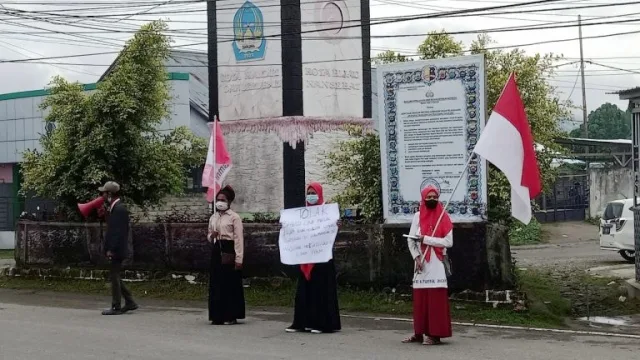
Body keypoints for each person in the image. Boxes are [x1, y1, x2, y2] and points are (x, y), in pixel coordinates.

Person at [285, 182, 341, 334]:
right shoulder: (302, 213)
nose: (311, 195)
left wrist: (335, 225)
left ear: (319, 193)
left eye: (313, 192)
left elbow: (332, 231)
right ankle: (302, 322)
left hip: (323, 258)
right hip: (306, 257)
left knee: (321, 290)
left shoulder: (326, 212)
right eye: (308, 192)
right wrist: (286, 226)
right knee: (304, 291)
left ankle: (322, 323)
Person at [402, 185, 453, 345]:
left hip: (436, 263)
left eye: (434, 197)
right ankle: (419, 333)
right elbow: (411, 239)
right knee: (420, 299)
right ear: (423, 198)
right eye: (429, 197)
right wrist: (416, 257)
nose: (432, 200)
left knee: (435, 299)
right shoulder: (417, 216)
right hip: (421, 263)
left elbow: (448, 242)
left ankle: (434, 334)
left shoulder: (443, 216)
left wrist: (426, 239)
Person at [207, 185, 245, 325]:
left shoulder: (234, 217)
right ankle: (217, 315)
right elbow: (209, 237)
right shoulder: (214, 217)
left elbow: (239, 239)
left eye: (223, 199)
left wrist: (239, 258)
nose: (220, 202)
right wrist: (212, 235)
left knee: (229, 283)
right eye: (218, 199)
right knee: (217, 283)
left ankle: (231, 315)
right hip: (217, 249)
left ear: (229, 201)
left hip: (230, 250)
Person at [100, 181, 138, 316]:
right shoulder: (115, 208)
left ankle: (116, 306)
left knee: (114, 276)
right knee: (115, 275)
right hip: (117, 248)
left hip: (117, 249)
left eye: (103, 192)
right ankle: (129, 301)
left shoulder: (119, 209)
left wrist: (111, 249)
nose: (102, 195)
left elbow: (117, 232)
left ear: (109, 193)